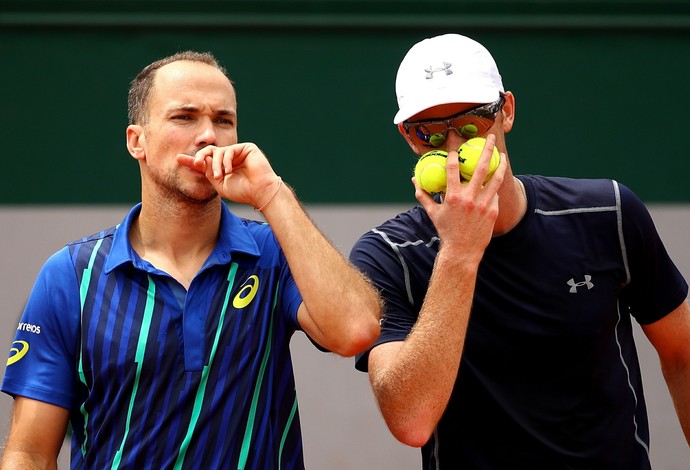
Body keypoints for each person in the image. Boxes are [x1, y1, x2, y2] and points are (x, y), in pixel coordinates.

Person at [1, 50, 382, 469]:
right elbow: (31, 452)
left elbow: (356, 331)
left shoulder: (272, 251)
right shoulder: (71, 275)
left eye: (223, 120)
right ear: (136, 141)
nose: (208, 136)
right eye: (184, 117)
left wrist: (273, 194)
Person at [350, 33, 690, 469]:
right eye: (430, 132)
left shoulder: (609, 213)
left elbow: (682, 353)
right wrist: (459, 253)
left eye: (472, 125)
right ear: (409, 139)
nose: (455, 151)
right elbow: (410, 421)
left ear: (505, 111)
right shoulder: (387, 256)